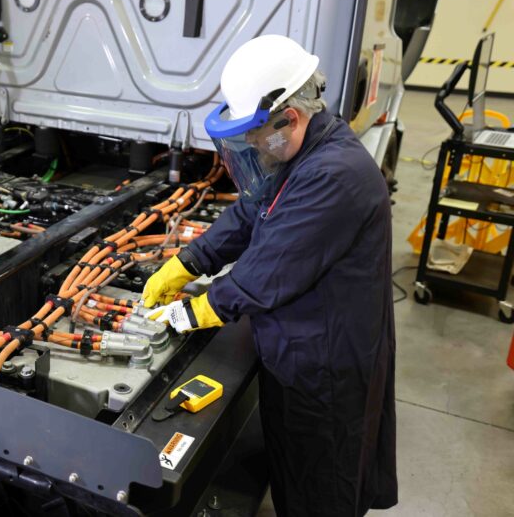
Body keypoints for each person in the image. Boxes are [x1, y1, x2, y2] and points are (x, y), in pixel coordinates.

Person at [144, 35, 397, 516]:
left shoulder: (335, 174)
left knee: (319, 492)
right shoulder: (303, 151)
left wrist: (192, 311)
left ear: (292, 117)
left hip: (325, 373)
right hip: (297, 353)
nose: (255, 147)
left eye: (258, 136)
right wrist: (188, 261)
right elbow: (249, 214)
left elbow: (265, 273)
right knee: (291, 478)